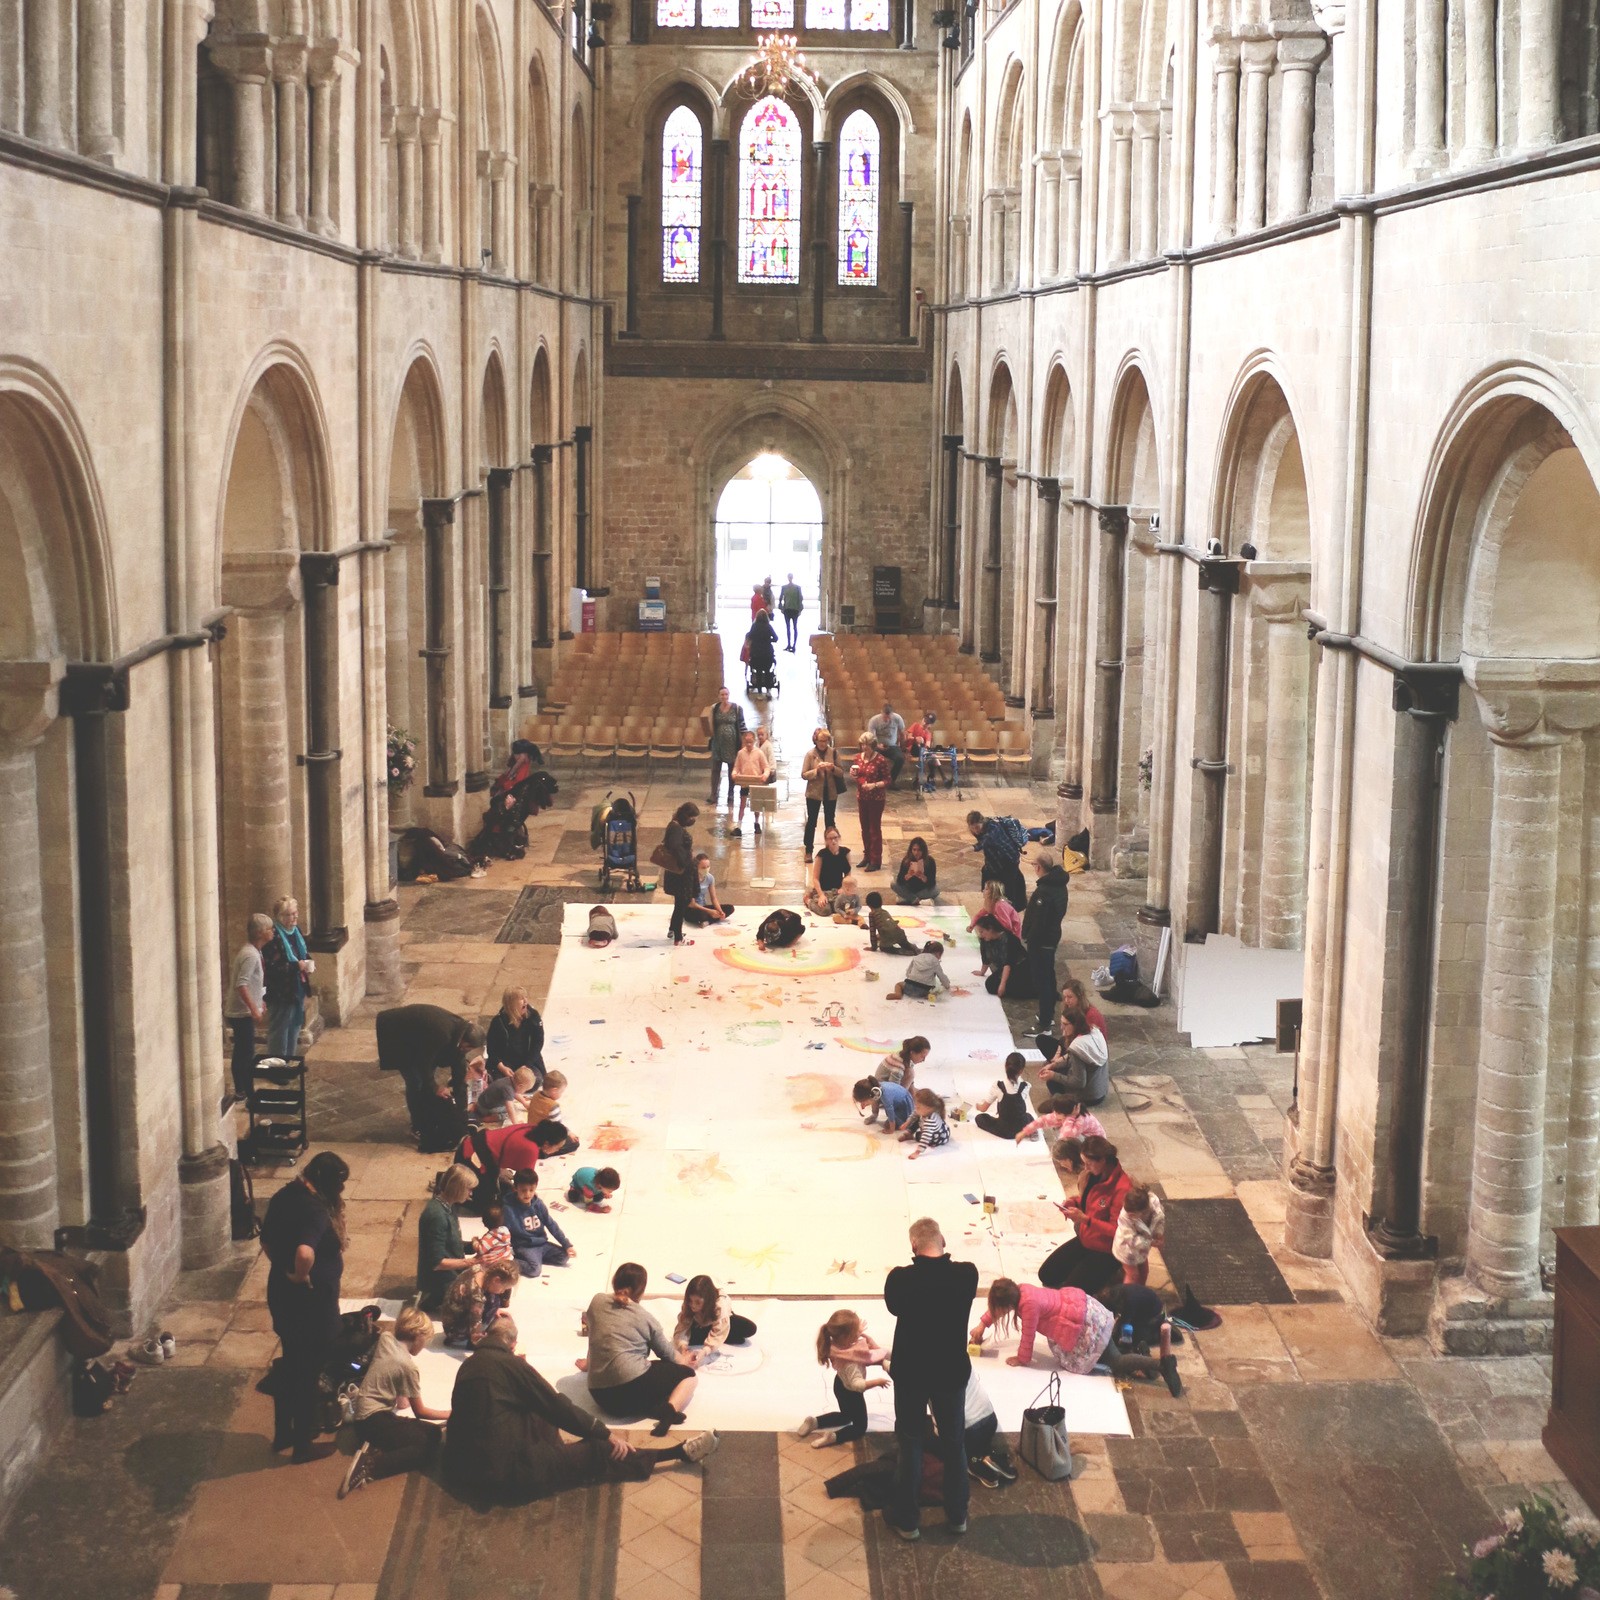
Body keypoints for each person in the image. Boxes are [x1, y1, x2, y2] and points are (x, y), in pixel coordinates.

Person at [442, 1316, 719, 1503]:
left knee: (535, 1410)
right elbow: (556, 1405)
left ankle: (559, 1457)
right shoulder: (511, 1365)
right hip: (507, 1477)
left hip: (467, 1467)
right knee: (598, 1451)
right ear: (512, 1345)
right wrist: (602, 1433)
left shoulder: (469, 1366)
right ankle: (677, 1453)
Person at [883, 1218, 978, 1540]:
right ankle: (957, 1516)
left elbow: (894, 1307)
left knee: (910, 1443)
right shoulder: (967, 1275)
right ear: (943, 1241)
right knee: (954, 1443)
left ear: (913, 1246)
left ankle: (908, 1521)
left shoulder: (900, 1280)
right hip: (950, 1371)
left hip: (911, 1371)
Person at [261, 1150, 349, 1462]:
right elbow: (305, 1252)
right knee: (308, 1374)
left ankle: (283, 1432)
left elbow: (266, 1241)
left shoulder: (284, 1195)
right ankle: (302, 1445)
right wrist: (300, 1275)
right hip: (310, 1307)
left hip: (283, 1297)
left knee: (291, 1363)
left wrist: (285, 1272)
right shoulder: (314, 1210)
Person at [972, 1278, 1180, 1395]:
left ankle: (1161, 1365)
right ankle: (1140, 1356)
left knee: (1115, 1361)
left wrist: (1022, 1359)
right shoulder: (1020, 1290)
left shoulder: (1029, 1306)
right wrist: (982, 1324)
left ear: (1009, 1304)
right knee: (1110, 1352)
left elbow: (1028, 1337)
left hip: (1082, 1325)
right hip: (1083, 1310)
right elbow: (1000, 1307)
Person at [338, 1306, 452, 1498]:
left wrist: (400, 1393)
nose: (424, 1346)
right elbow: (421, 1412)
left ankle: (376, 1443)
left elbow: (399, 1396)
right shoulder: (408, 1367)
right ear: (418, 1336)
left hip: (363, 1414)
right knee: (430, 1443)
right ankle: (371, 1467)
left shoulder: (386, 1339)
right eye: (425, 1340)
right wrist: (451, 1413)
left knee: (426, 1431)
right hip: (373, 1420)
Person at [584, 1262, 699, 1436]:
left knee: (645, 1374)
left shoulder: (597, 1301)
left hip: (601, 1398)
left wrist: (589, 1364)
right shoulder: (645, 1318)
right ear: (641, 1290)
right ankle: (669, 1411)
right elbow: (669, 1356)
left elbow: (596, 1336)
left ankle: (655, 1407)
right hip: (632, 1391)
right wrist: (686, 1360)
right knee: (689, 1377)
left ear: (614, 1281)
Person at [376, 1003, 488, 1137]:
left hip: (422, 1040)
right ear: (463, 1041)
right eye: (468, 1048)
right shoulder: (442, 1034)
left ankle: (427, 1117)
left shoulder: (460, 1034)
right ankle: (417, 1126)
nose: (467, 1051)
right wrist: (435, 1087)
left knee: (426, 1082)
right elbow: (423, 1064)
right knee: (415, 1082)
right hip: (398, 1035)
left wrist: (462, 1114)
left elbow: (459, 1071)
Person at [1038, 1135, 1132, 1294]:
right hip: (1087, 1238)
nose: (1085, 1167)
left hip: (1108, 1249)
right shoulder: (1092, 1175)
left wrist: (1085, 1219)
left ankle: (1110, 1272)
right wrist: (1073, 1203)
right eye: (1084, 1163)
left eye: (1089, 1163)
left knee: (1070, 1293)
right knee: (1047, 1275)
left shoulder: (1122, 1189)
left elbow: (1117, 1230)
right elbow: (1089, 1201)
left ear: (1102, 1160)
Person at [795, 1310, 890, 1449]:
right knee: (860, 1426)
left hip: (839, 1385)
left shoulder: (836, 1345)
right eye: (856, 1332)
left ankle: (814, 1422)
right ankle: (834, 1436)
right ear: (848, 1337)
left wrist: (856, 1331)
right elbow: (857, 1385)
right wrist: (878, 1382)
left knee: (846, 1416)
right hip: (851, 1392)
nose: (860, 1333)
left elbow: (862, 1348)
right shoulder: (851, 1363)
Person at [224, 912, 273, 1109]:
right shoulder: (250, 955)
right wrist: (253, 1009)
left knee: (244, 1052)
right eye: (270, 929)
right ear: (261, 933)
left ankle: (244, 1090)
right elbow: (241, 984)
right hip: (240, 1013)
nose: (273, 932)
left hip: (245, 1011)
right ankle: (244, 1091)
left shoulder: (255, 951)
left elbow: (254, 983)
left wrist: (260, 1001)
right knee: (245, 1053)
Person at [1020, 848, 1069, 1034]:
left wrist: (1029, 939)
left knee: (1043, 981)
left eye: (1034, 865)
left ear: (1039, 867)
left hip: (1041, 941)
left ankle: (1045, 1023)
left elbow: (1039, 921)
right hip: (1052, 936)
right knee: (1048, 975)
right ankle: (1047, 1014)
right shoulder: (1059, 885)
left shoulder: (1045, 891)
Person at [1040, 979, 1111, 1105]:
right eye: (1064, 997)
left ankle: (1060, 1102)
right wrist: (1055, 1064)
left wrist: (1053, 1075)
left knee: (1052, 1080)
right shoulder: (1093, 1031)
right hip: (1100, 1090)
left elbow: (1078, 1082)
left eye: (1065, 1025)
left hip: (1088, 1097)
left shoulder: (1078, 1045)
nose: (1061, 1028)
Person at [417, 1164, 478, 1310]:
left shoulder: (447, 1206)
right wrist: (471, 1262)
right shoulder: (437, 1216)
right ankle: (436, 1299)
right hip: (440, 1279)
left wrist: (471, 1245)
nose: (471, 1194)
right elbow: (437, 1263)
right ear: (458, 1188)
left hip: (450, 1272)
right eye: (468, 1189)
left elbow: (450, 1243)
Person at [262, 895, 313, 1059]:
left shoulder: (295, 931)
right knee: (280, 1029)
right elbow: (271, 967)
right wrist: (296, 966)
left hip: (296, 987)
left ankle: (289, 1061)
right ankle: (277, 1066)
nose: (295, 917)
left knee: (295, 1026)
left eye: (295, 912)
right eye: (290, 914)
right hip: (281, 990)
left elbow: (301, 952)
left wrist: (308, 961)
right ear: (280, 917)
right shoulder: (273, 937)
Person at [501, 1167, 575, 1278]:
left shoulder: (538, 1204)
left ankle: (537, 1258)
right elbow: (504, 1231)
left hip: (542, 1243)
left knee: (564, 1257)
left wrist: (566, 1244)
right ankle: (511, 1260)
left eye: (531, 1190)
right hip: (524, 1246)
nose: (528, 1194)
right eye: (523, 1190)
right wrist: (505, 1251)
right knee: (534, 1271)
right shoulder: (509, 1208)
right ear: (515, 1188)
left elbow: (551, 1224)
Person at [672, 1276, 757, 1365]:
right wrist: (682, 1345)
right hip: (701, 1324)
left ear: (707, 1300)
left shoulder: (720, 1305)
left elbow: (720, 1328)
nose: (693, 1305)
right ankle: (720, 1337)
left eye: (698, 1302)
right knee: (685, 1339)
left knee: (749, 1328)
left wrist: (705, 1351)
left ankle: (723, 1335)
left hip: (721, 1321)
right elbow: (682, 1326)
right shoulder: (688, 1305)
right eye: (690, 1300)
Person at [441, 1260, 518, 1347]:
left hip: (453, 1311)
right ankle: (461, 1341)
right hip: (454, 1329)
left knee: (494, 1299)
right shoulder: (477, 1299)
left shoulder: (478, 1268)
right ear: (496, 1280)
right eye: (503, 1288)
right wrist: (481, 1340)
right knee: (495, 1301)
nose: (502, 1292)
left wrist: (496, 1310)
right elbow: (476, 1335)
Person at [967, 812, 1028, 911]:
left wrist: (968, 849)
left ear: (982, 822)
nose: (975, 831)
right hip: (994, 859)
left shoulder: (993, 827)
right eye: (972, 828)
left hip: (1008, 859)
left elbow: (985, 842)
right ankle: (991, 903)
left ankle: (1010, 909)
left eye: (977, 827)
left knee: (1009, 885)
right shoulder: (980, 829)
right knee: (988, 877)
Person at [801, 729, 844, 861]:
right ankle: (808, 850)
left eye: (825, 741)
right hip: (814, 793)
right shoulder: (810, 754)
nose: (822, 744)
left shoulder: (834, 752)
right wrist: (816, 771)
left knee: (830, 821)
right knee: (812, 821)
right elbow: (804, 774)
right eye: (820, 741)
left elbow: (841, 772)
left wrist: (832, 768)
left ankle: (831, 848)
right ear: (816, 740)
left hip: (830, 792)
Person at [486, 986, 545, 1083]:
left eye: (525, 997)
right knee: (501, 1082)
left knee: (536, 1080)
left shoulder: (533, 1016)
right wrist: (502, 1067)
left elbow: (538, 1043)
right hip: (505, 1062)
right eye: (521, 999)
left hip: (526, 1061)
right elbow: (492, 1049)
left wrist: (526, 1066)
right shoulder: (498, 1022)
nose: (526, 1001)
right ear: (512, 1003)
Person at [660, 802, 699, 945]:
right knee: (681, 905)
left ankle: (673, 929)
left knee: (679, 903)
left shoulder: (674, 825)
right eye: (692, 817)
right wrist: (686, 860)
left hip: (680, 872)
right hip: (681, 873)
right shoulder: (676, 828)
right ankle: (678, 936)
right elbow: (675, 847)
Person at [850, 737, 891, 871]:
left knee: (874, 829)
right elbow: (858, 775)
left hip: (876, 798)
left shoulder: (880, 760)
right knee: (864, 829)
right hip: (862, 796)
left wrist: (874, 785)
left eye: (867, 745)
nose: (864, 748)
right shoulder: (858, 758)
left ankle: (875, 860)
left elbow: (887, 780)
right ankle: (867, 856)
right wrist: (855, 777)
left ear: (872, 745)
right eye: (862, 745)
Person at [1113, 1185, 1166, 1286]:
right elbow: (1131, 1239)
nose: (1129, 1215)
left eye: (1132, 1214)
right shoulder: (1125, 1217)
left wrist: (1159, 1233)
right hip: (1127, 1248)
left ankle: (1140, 1291)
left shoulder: (1153, 1203)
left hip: (1141, 1248)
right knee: (1133, 1275)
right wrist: (1150, 1242)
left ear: (1143, 1210)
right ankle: (1127, 1297)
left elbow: (1160, 1219)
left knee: (1144, 1272)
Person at [975, 1052, 1034, 1139]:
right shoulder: (1026, 1086)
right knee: (1028, 1116)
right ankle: (1032, 1130)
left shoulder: (998, 1086)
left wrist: (978, 1106)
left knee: (980, 1118)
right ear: (1021, 1071)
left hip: (1004, 1130)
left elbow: (984, 1109)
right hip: (1021, 1127)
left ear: (1005, 1066)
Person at [975, 915, 1034, 1001]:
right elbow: (985, 958)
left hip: (1020, 966)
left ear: (990, 929)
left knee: (1015, 989)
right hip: (1005, 968)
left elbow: (1008, 963)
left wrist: (1002, 984)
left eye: (982, 931)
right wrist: (982, 972)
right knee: (990, 985)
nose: (981, 935)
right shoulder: (985, 940)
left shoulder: (1009, 939)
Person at [704, 687, 746, 808]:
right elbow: (710, 722)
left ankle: (731, 793)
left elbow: (742, 726)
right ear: (718, 696)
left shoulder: (737, 708)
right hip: (718, 742)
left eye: (726, 694)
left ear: (729, 695)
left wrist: (743, 741)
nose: (724, 697)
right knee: (715, 769)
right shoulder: (715, 708)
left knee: (731, 769)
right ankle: (713, 794)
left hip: (731, 743)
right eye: (722, 694)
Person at [1015, 1092, 1107, 1147]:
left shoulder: (1083, 1119)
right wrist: (1024, 1132)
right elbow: (1043, 1120)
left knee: (1065, 1143)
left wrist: (1070, 1118)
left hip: (1096, 1143)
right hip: (1079, 1132)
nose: (1055, 1114)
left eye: (1058, 1113)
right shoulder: (1065, 1114)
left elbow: (1067, 1136)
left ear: (1068, 1113)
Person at [730, 728, 773, 835]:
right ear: (744, 742)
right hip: (745, 782)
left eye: (750, 742)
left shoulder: (759, 753)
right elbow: (736, 767)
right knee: (742, 804)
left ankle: (756, 823)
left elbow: (766, 767)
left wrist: (764, 775)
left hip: (756, 782)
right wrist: (734, 773)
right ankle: (739, 826)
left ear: (754, 741)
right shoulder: (740, 753)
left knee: (756, 805)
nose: (748, 744)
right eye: (746, 742)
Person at [804, 825, 852, 915]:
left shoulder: (845, 853)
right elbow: (815, 878)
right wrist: (821, 895)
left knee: (845, 908)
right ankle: (808, 901)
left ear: (839, 837)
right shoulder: (821, 855)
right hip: (823, 889)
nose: (833, 841)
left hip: (837, 890)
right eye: (830, 839)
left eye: (835, 838)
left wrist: (843, 888)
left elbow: (848, 875)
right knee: (825, 910)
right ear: (826, 841)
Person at [683, 853, 733, 925]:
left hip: (703, 906)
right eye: (703, 867)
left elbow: (714, 898)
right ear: (696, 867)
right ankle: (709, 919)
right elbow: (692, 904)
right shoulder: (690, 879)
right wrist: (709, 911)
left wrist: (720, 911)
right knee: (702, 915)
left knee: (730, 908)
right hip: (691, 909)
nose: (706, 869)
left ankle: (708, 921)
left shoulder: (710, 878)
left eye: (708, 866)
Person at [867, 702, 908, 786]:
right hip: (878, 745)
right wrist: (877, 745)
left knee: (900, 759)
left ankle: (890, 781)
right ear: (881, 713)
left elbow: (902, 733)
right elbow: (871, 737)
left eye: (889, 717)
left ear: (892, 714)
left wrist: (903, 748)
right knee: (872, 757)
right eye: (885, 717)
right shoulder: (874, 720)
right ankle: (874, 780)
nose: (887, 719)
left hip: (892, 746)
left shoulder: (897, 718)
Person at [902, 1089, 950, 1159]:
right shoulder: (925, 1111)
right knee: (917, 1118)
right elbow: (914, 1113)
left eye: (918, 1107)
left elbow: (925, 1138)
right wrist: (907, 1123)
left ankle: (911, 1135)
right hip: (942, 1128)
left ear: (927, 1108)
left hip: (939, 1137)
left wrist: (917, 1152)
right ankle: (909, 1133)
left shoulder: (930, 1122)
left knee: (919, 1136)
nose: (916, 1108)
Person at [892, 838, 938, 905]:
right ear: (911, 850)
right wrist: (907, 876)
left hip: (922, 889)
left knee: (936, 890)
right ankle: (916, 900)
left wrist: (924, 878)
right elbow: (899, 880)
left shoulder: (930, 861)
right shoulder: (906, 860)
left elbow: (932, 882)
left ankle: (908, 899)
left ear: (923, 851)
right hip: (909, 888)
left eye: (919, 850)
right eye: (914, 850)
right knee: (893, 884)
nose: (916, 853)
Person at [746, 608, 778, 692]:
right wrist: (768, 640)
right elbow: (776, 638)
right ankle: (768, 690)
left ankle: (759, 690)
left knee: (758, 671)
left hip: (756, 654)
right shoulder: (768, 627)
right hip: (767, 654)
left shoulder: (754, 626)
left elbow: (750, 636)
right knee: (767, 671)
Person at [778, 572, 804, 650]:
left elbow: (800, 598)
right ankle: (789, 644)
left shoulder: (797, 588)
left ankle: (794, 644)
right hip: (787, 609)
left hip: (795, 609)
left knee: (795, 627)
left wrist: (800, 609)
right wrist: (781, 607)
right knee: (788, 627)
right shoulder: (784, 587)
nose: (790, 578)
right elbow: (780, 598)